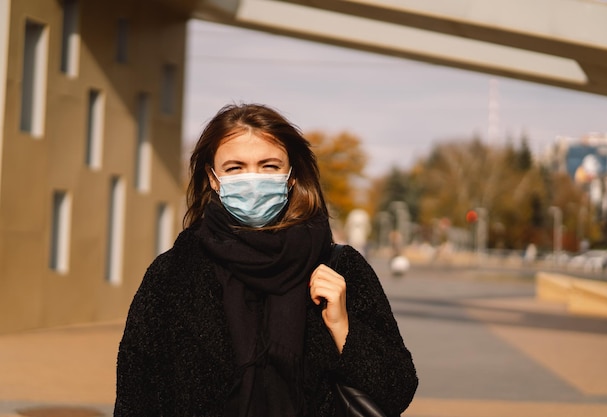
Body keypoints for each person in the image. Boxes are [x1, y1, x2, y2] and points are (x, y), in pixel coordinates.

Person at [114, 103, 418, 417]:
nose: (253, 180)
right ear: (213, 178)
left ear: (291, 176)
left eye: (269, 166)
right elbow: (136, 398)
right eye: (235, 168)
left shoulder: (340, 267)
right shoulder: (173, 274)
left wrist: (342, 326)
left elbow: (397, 390)